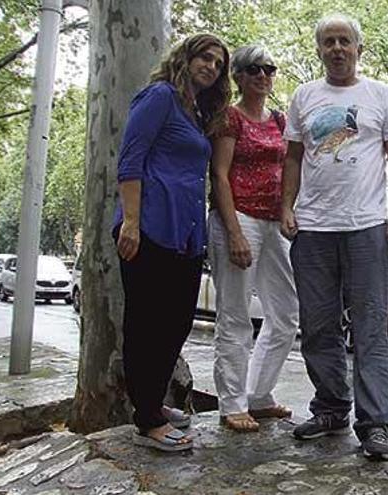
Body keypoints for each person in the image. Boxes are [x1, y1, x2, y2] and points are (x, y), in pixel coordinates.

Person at [280, 14, 388, 462]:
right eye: (328, 42)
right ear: (319, 49)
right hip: (313, 229)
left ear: (359, 48)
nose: (337, 48)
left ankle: (375, 426)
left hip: (366, 229)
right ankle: (332, 408)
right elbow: (294, 159)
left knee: (371, 328)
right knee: (317, 328)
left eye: (345, 41)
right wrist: (285, 206)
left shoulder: (380, 95)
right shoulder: (304, 97)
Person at [114, 34, 230, 452]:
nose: (211, 67)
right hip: (148, 227)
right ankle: (146, 421)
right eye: (205, 57)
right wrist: (130, 221)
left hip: (185, 235)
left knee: (176, 323)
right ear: (185, 57)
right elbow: (131, 158)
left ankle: (154, 404)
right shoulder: (159, 96)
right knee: (145, 325)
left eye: (218, 63)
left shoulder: (196, 111)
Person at [208, 45, 299, 432]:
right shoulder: (231, 118)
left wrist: (287, 210)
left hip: (273, 222)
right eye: (254, 69)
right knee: (235, 314)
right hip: (238, 218)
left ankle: (259, 396)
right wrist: (233, 233)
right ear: (239, 77)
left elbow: (292, 169)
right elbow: (220, 175)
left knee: (286, 314)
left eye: (269, 69)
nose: (264, 75)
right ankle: (231, 403)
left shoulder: (279, 120)